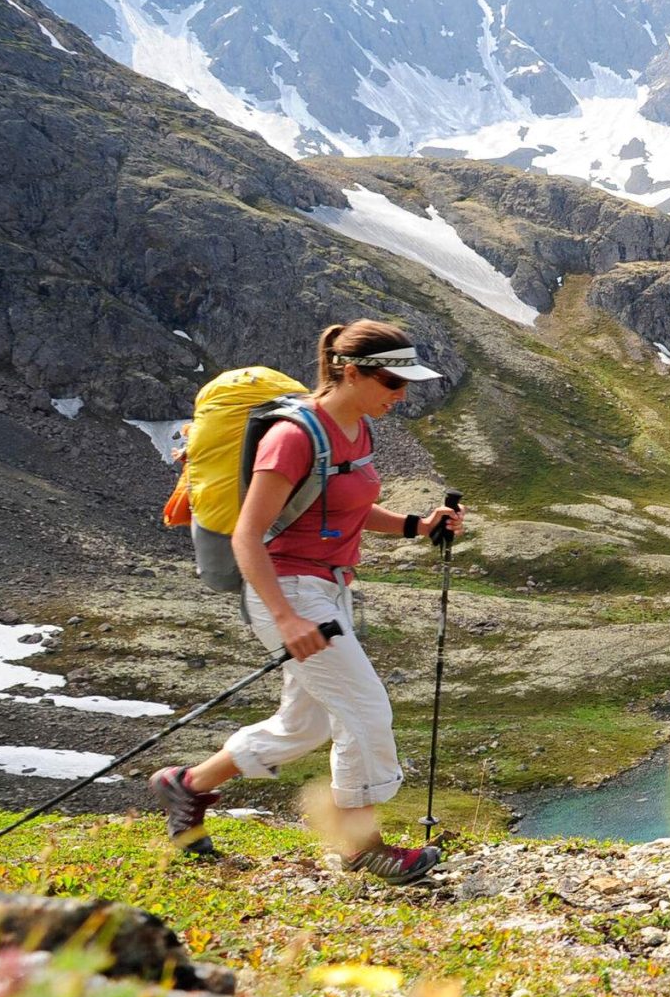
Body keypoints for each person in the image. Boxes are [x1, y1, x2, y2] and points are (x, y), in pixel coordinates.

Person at [150, 319, 465, 882]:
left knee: (304, 726)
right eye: (394, 383)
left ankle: (187, 786)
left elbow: (344, 504)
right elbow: (249, 535)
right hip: (290, 590)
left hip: (331, 589)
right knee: (366, 708)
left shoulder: (357, 431)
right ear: (350, 371)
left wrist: (418, 525)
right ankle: (361, 845)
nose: (402, 394)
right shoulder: (292, 437)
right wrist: (286, 616)